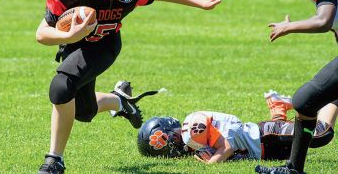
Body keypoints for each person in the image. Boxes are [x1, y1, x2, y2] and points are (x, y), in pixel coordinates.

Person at [35, 0, 231, 174]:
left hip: (104, 45)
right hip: (74, 45)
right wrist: (67, 37)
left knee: (61, 88)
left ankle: (54, 160)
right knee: (83, 111)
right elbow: (42, 34)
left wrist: (202, 3)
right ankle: (120, 101)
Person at [255, 0, 338, 174]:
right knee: (306, 101)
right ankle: (293, 169)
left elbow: (324, 21)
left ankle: (294, 169)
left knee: (305, 100)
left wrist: (288, 27)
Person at [137, 91, 337, 163]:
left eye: (168, 141)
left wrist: (212, 162)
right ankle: (278, 107)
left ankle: (332, 97)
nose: (171, 147)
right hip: (265, 150)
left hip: (265, 136)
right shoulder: (192, 141)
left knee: (321, 135)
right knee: (292, 155)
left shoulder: (193, 127)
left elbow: (227, 147)